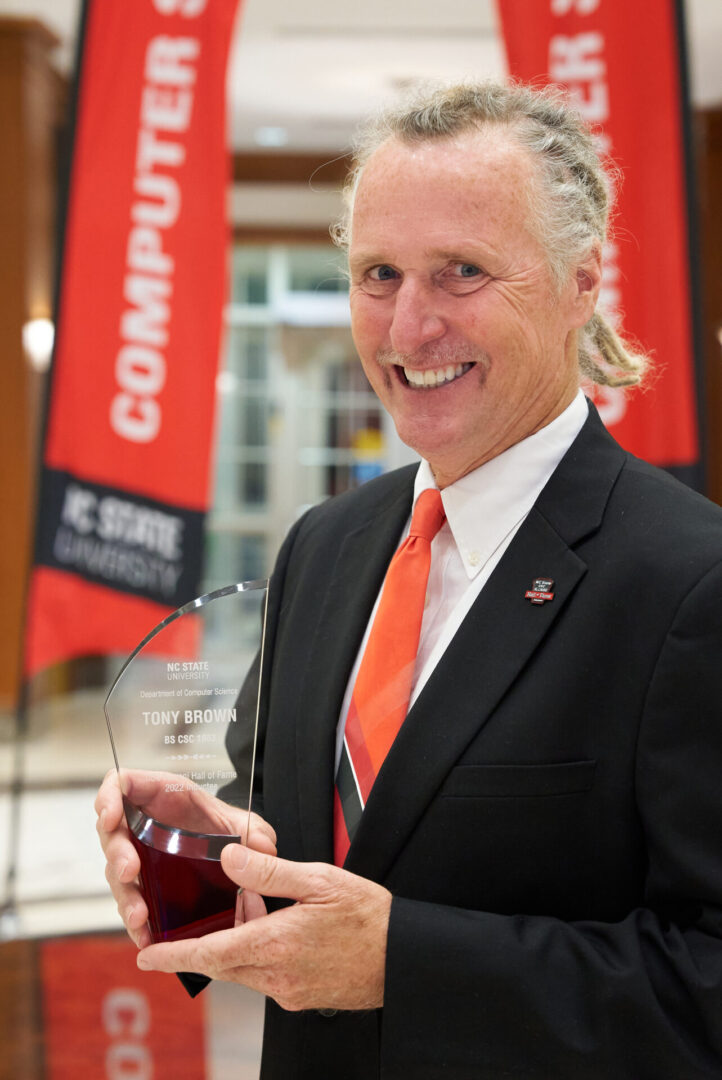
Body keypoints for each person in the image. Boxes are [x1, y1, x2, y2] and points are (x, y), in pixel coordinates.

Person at [96, 80, 722, 1079]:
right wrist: (212, 862)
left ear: (578, 283)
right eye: (377, 273)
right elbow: (314, 843)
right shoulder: (325, 545)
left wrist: (404, 962)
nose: (407, 327)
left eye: (461, 271)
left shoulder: (690, 583)